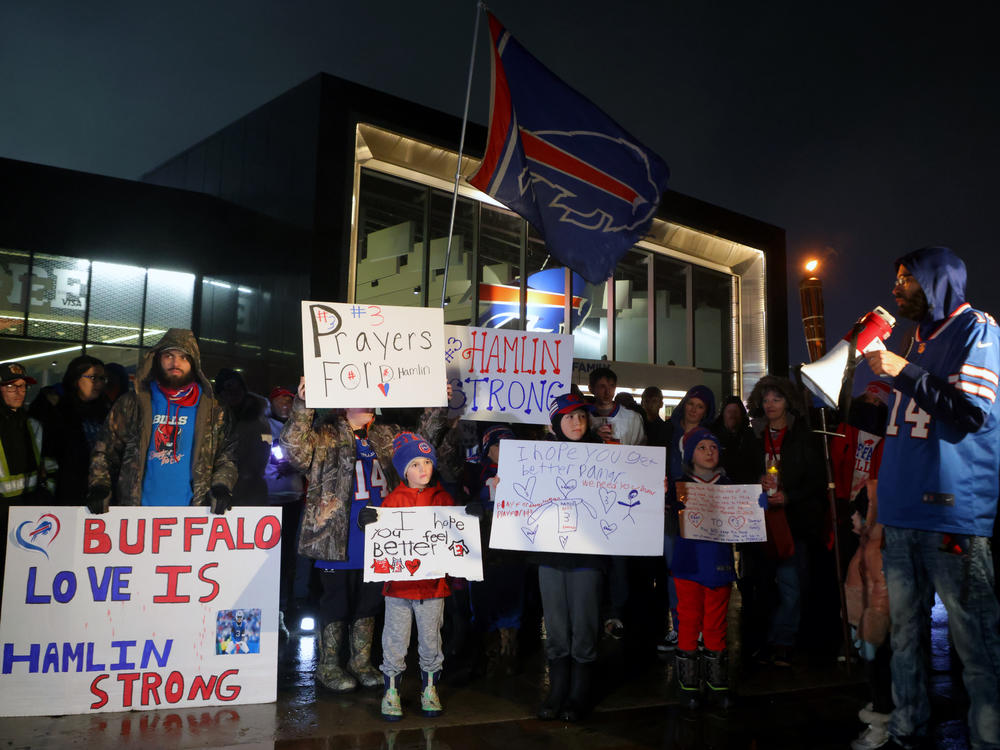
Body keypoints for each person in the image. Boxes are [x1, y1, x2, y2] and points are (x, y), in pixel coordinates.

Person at [863, 246, 1000, 750]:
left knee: (975, 643)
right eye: (897, 278)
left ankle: (988, 739)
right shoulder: (915, 339)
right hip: (902, 512)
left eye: (907, 279)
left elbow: (970, 412)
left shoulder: (976, 329)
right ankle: (908, 728)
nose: (896, 287)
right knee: (904, 636)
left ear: (937, 282)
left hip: (950, 509)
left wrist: (901, 370)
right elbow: (906, 424)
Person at [279, 378, 452, 694]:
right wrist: (303, 406)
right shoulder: (325, 432)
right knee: (336, 602)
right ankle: (329, 665)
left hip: (381, 537)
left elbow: (422, 448)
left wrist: (435, 407)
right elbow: (295, 454)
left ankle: (360, 662)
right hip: (336, 536)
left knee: (369, 602)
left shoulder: (388, 433)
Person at [359, 431, 455, 721]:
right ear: (403, 470)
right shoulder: (392, 501)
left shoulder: (443, 499)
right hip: (399, 589)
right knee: (394, 642)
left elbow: (458, 535)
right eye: (414, 464)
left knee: (431, 642)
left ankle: (429, 690)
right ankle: (391, 693)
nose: (423, 469)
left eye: (427, 462)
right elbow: (381, 540)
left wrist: (472, 517)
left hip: (433, 588)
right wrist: (368, 523)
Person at [87, 328, 237, 511]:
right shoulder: (133, 403)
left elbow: (227, 457)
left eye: (184, 357)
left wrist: (222, 485)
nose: (176, 362)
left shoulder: (214, 410)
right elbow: (105, 450)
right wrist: (99, 484)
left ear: (194, 363)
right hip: (137, 513)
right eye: (168, 356)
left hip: (193, 514)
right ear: (157, 359)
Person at [672, 426, 760, 709]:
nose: (709, 452)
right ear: (690, 455)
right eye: (702, 447)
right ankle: (687, 687)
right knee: (688, 621)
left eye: (713, 447)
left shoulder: (730, 487)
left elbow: (752, 516)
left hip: (719, 566)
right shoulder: (679, 486)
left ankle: (718, 685)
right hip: (687, 565)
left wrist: (763, 500)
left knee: (716, 623)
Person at [744, 376, 825, 667]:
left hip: (792, 524)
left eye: (776, 399)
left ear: (787, 402)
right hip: (758, 522)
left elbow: (816, 480)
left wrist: (789, 497)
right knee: (761, 586)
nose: (770, 405)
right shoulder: (753, 435)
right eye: (766, 400)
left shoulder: (802, 436)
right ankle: (761, 642)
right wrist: (756, 482)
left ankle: (784, 642)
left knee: (791, 586)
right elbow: (741, 472)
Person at [536, 392, 606, 723]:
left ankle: (580, 693)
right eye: (568, 417)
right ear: (555, 424)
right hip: (550, 553)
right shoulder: (538, 456)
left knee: (585, 622)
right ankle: (557, 689)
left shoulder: (607, 454)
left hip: (588, 555)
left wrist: (651, 486)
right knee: (556, 625)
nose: (577, 422)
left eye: (581, 416)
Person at [463, 424, 526, 675]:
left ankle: (508, 649)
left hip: (512, 544)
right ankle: (485, 650)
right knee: (482, 596)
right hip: (483, 545)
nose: (505, 451)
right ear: (488, 450)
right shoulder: (474, 472)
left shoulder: (526, 471)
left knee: (512, 592)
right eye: (499, 445)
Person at [661, 385, 717, 653]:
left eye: (700, 406)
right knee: (675, 571)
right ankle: (679, 627)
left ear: (707, 412)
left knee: (699, 570)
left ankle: (702, 629)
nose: (694, 409)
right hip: (671, 512)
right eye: (691, 403)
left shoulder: (709, 437)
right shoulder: (666, 432)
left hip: (699, 512)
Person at [0, 362, 56, 590]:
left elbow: (48, 465)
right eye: (12, 387)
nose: (19, 393)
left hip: (28, 509)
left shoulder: (33, 425)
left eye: (23, 387)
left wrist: (48, 496)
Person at [29, 355, 110, 505]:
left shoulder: (106, 410)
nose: (99, 384)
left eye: (102, 379)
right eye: (93, 377)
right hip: (62, 492)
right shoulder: (55, 407)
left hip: (96, 491)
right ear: (76, 378)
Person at [264, 386, 308, 638]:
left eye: (289, 400)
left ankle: (289, 605)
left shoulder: (298, 427)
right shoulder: (263, 425)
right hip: (266, 501)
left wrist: (294, 468)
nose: (285, 403)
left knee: (292, 557)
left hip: (293, 499)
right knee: (270, 558)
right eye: (279, 398)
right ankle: (272, 606)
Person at [215, 368, 270, 507]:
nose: (234, 392)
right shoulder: (216, 420)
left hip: (253, 488)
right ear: (220, 393)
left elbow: (265, 448)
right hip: (220, 490)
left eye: (237, 386)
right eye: (228, 387)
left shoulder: (258, 417)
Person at [588, 367, 646, 445]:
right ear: (591, 388)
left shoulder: (633, 417)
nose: (607, 392)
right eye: (602, 386)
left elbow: (641, 449)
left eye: (611, 386)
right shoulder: (583, 417)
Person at [711, 396, 757, 483]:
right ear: (723, 414)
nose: (732, 415)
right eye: (729, 411)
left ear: (741, 414)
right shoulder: (712, 437)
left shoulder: (750, 435)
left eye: (736, 412)